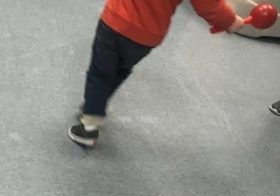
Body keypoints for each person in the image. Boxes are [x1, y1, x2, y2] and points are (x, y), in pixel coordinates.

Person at [68, 0, 244, 147]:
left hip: (115, 20)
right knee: (120, 69)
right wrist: (229, 21)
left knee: (100, 72)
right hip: (146, 36)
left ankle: (89, 127)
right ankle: (94, 106)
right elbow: (209, 5)